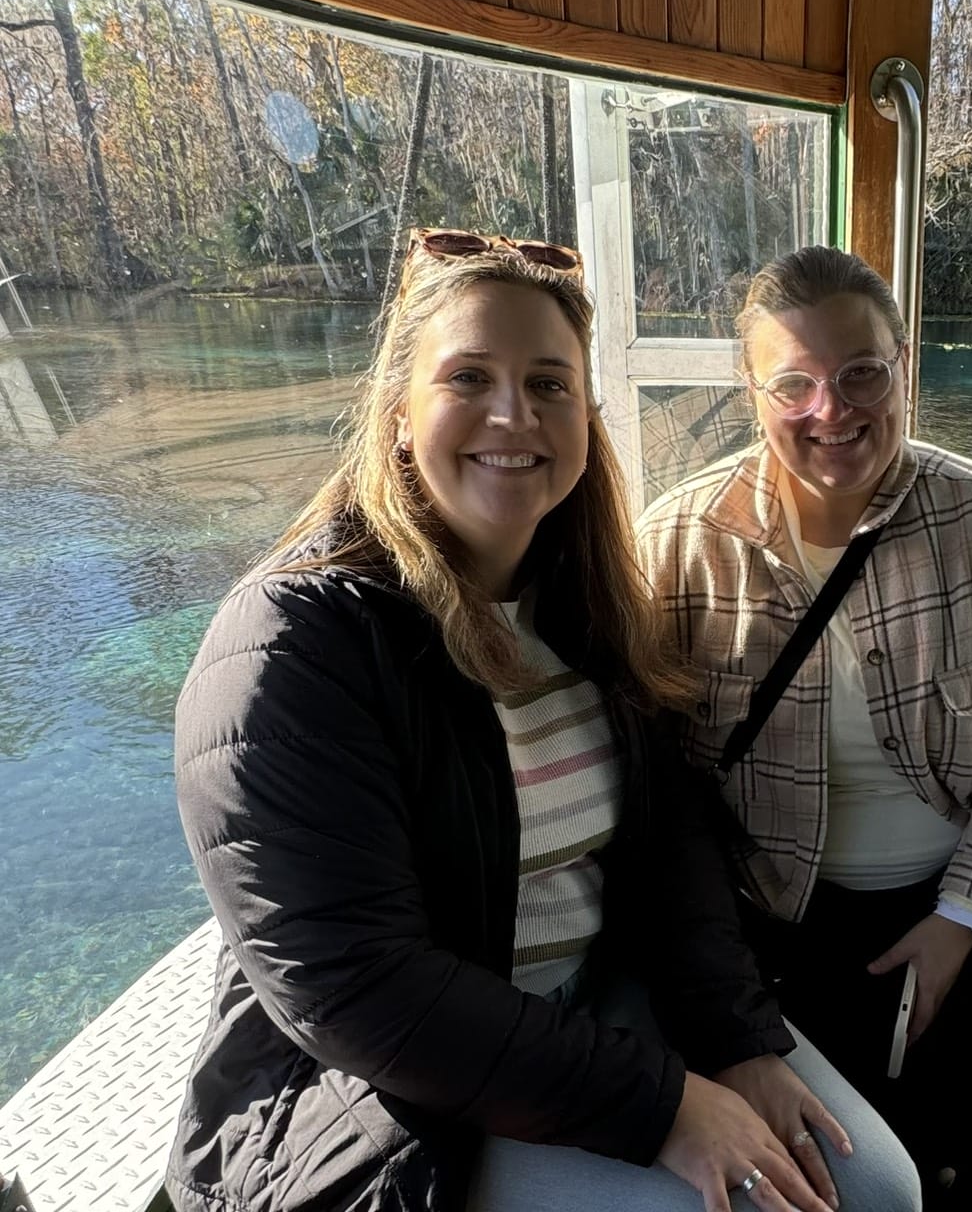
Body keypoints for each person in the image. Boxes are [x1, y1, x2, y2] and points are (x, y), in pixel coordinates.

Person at [167, 229, 923, 1212]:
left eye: (549, 384)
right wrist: (663, 1108)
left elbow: (670, 845)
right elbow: (355, 984)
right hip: (394, 1093)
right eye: (468, 377)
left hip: (590, 1011)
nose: (512, 414)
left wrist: (738, 1042)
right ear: (399, 415)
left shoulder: (584, 604)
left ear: (585, 418)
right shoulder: (294, 646)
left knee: (879, 1188)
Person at [636, 246, 972, 1211]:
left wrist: (962, 918)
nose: (831, 411)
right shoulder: (677, 548)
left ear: (904, 365)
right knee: (845, 1174)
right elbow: (651, 777)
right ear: (752, 390)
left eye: (860, 374)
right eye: (794, 383)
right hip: (776, 916)